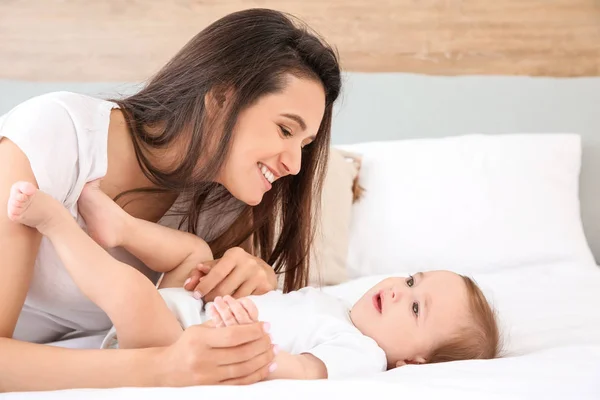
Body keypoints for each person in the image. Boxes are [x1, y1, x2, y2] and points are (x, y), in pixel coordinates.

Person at [0, 8, 341, 391]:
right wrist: (160, 368)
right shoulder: (57, 135)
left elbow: (193, 328)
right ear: (221, 99)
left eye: (305, 145)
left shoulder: (227, 197)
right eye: (284, 130)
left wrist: (256, 281)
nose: (295, 165)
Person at [6, 179, 501, 381]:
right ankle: (120, 227)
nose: (399, 291)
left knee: (131, 293)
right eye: (413, 281)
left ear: (414, 362)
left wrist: (250, 342)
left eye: (415, 309)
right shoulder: (337, 306)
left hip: (180, 346)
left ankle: (56, 225)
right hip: (190, 313)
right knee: (196, 251)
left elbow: (301, 371)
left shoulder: (363, 354)